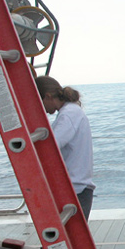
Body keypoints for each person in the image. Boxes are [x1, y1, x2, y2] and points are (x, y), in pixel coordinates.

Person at [34, 75, 95, 219]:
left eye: (40, 102)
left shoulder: (68, 114)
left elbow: (52, 145)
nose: (40, 108)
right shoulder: (70, 112)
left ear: (48, 96)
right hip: (78, 187)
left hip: (76, 189)